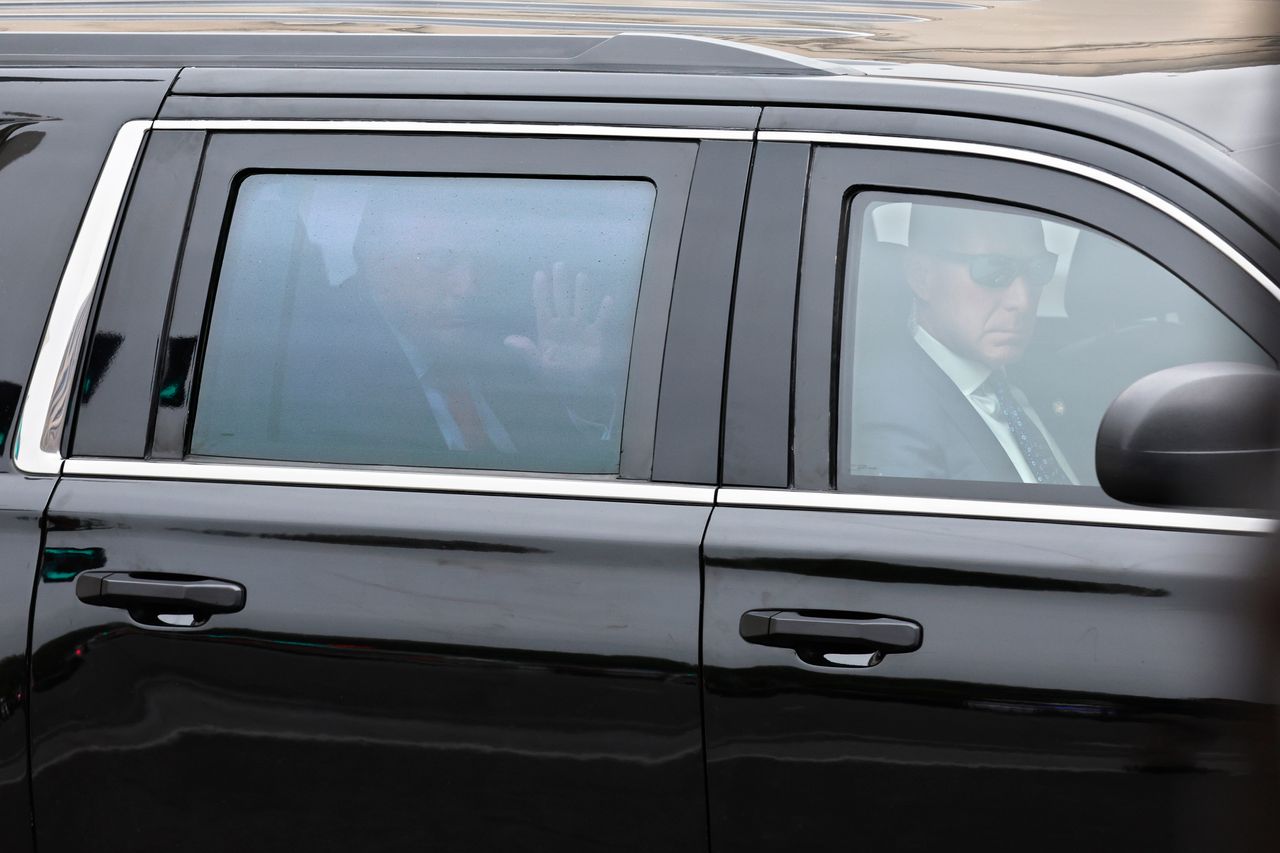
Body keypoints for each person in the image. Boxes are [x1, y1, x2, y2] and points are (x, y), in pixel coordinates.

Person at [275, 199, 630, 473]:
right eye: (439, 261)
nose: (468, 286)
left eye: (480, 262)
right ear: (375, 262)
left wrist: (577, 392)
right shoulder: (323, 382)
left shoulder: (511, 345)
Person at [850, 202, 1077, 485]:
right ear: (922, 276)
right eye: (994, 270)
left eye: (1038, 270)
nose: (1022, 300)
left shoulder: (1047, 374)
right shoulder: (892, 418)